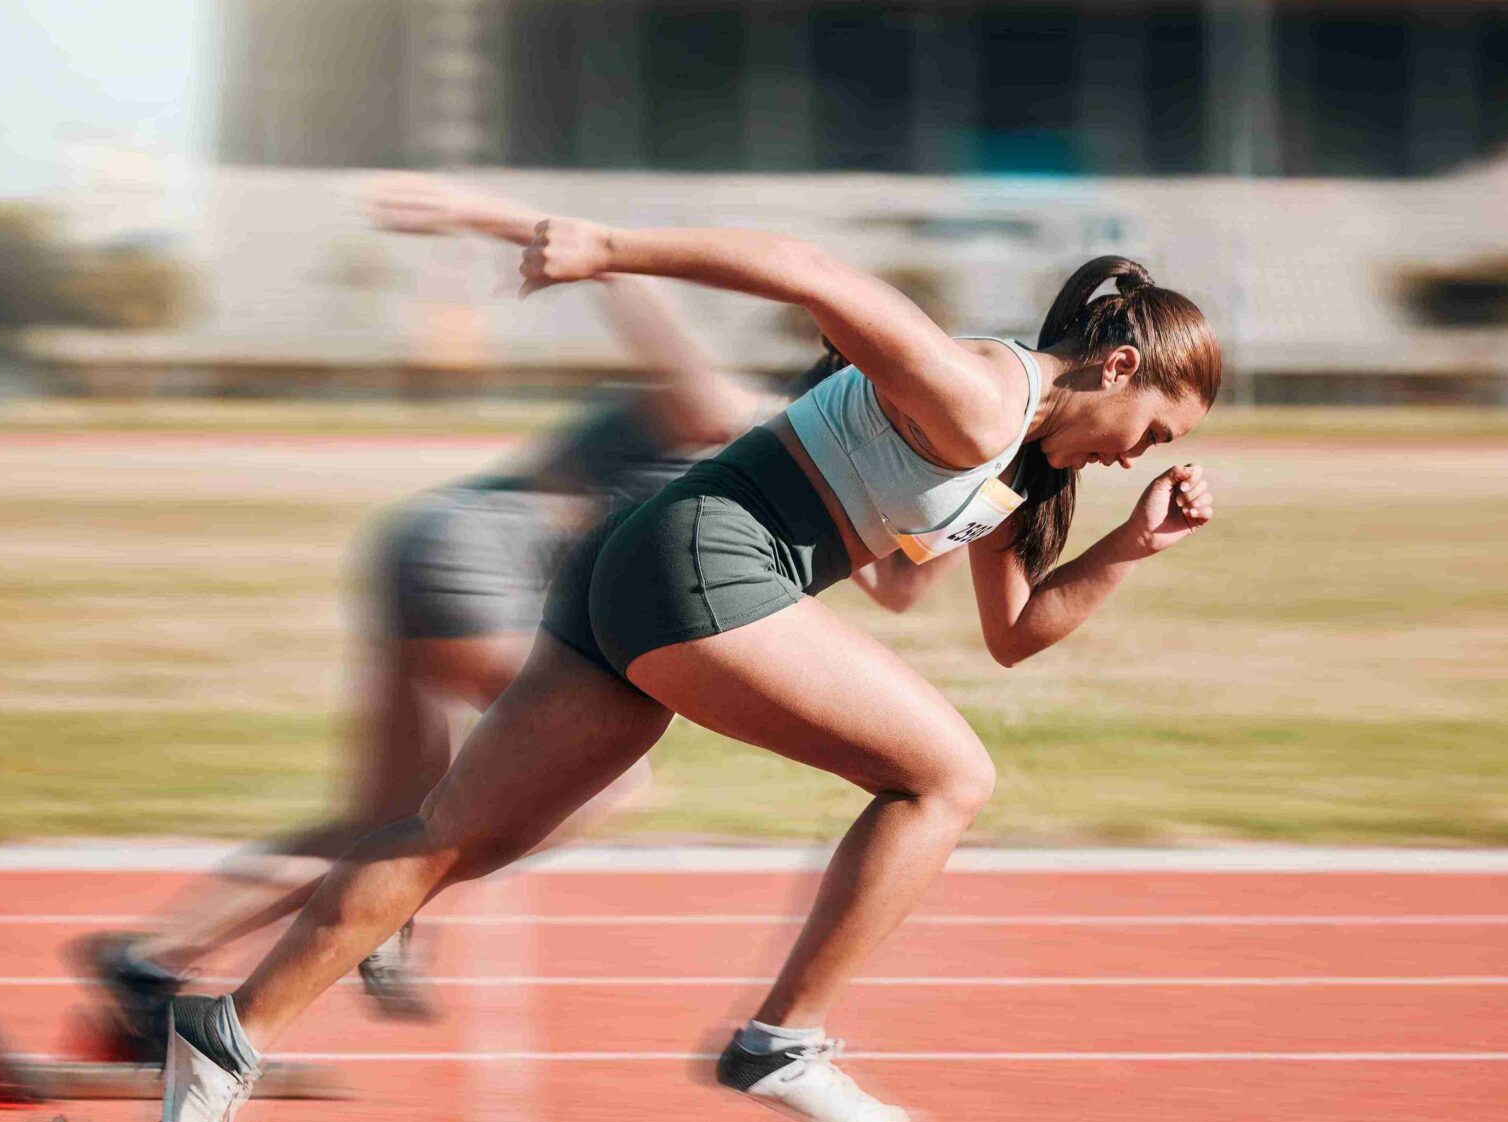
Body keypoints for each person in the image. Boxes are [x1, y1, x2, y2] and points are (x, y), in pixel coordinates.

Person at [160, 211, 1219, 1122]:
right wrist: (606, 248)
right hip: (702, 556)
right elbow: (811, 270)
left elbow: (1000, 628)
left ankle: (226, 1033)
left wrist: (1129, 544)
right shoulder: (983, 390)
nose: (1140, 457)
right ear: (1121, 365)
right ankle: (781, 1041)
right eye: (1154, 429)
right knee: (949, 774)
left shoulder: (1019, 467)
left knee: (453, 839)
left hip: (642, 564)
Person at [79, 180, 946, 1058]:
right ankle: (385, 914)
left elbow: (901, 587)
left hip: (426, 547)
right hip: (475, 562)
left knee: (384, 814)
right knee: (593, 783)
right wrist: (489, 216)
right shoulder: (736, 415)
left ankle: (148, 962)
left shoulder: (826, 494)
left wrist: (978, 500)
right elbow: (634, 295)